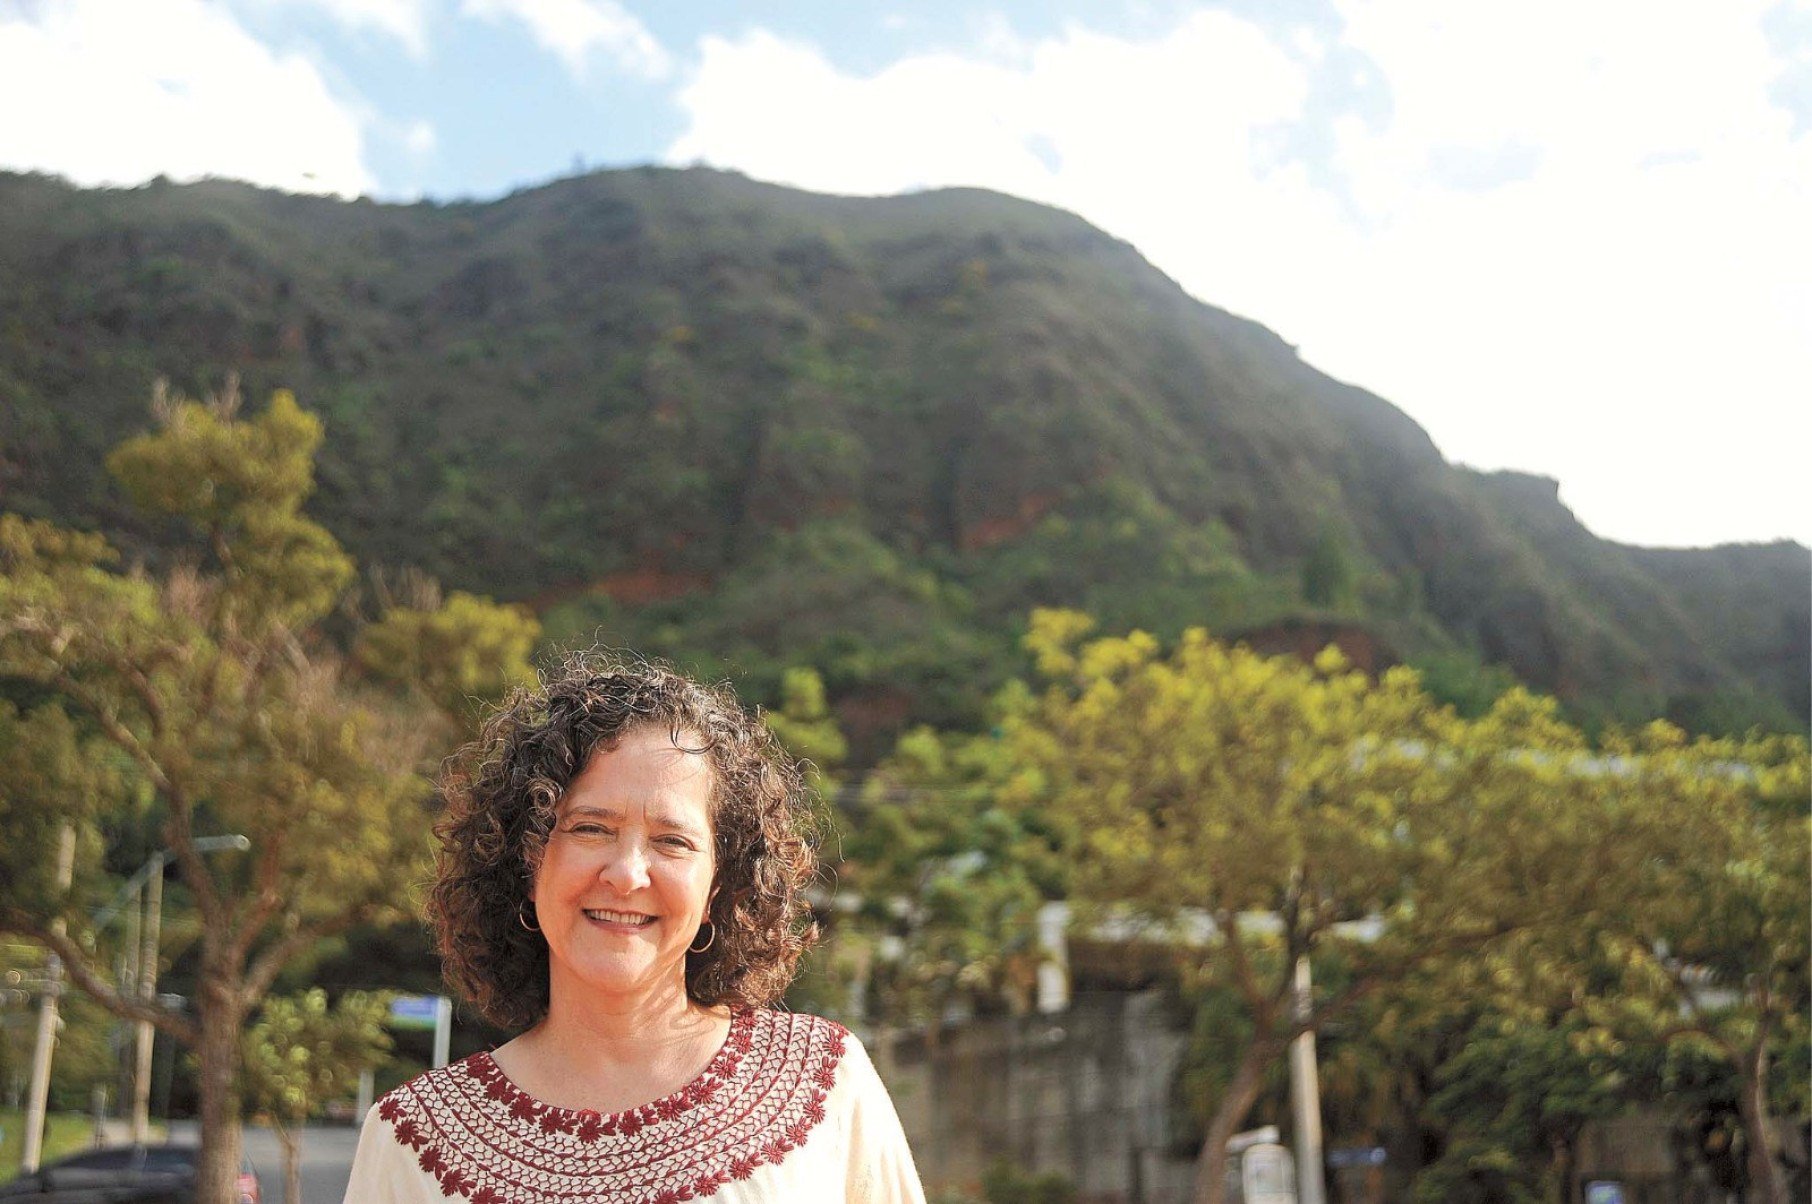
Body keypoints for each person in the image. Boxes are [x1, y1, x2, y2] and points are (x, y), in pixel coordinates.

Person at [343, 654, 926, 1203]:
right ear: (524, 860)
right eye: (590, 829)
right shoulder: (410, 1142)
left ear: (718, 886)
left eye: (673, 841)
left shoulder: (824, 1085)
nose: (626, 874)